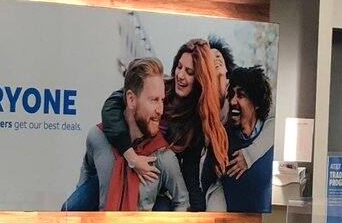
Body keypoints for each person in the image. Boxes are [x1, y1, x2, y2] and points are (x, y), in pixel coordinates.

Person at [94, 38, 230, 210]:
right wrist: (131, 156)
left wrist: (198, 216)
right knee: (76, 205)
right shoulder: (159, 84)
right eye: (179, 67)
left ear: (200, 79)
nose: (180, 75)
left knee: (163, 207)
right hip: (122, 161)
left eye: (189, 72)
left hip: (151, 183)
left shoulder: (194, 124)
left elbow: (190, 174)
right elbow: (111, 106)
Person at [64, 57, 185, 211]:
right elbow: (87, 169)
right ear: (131, 99)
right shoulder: (97, 137)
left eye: (162, 100)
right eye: (154, 100)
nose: (161, 110)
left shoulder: (163, 156)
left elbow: (182, 201)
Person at [221, 65, 273, 212]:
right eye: (231, 95)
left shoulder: (271, 141)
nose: (233, 101)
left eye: (241, 95)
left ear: (256, 103)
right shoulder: (222, 138)